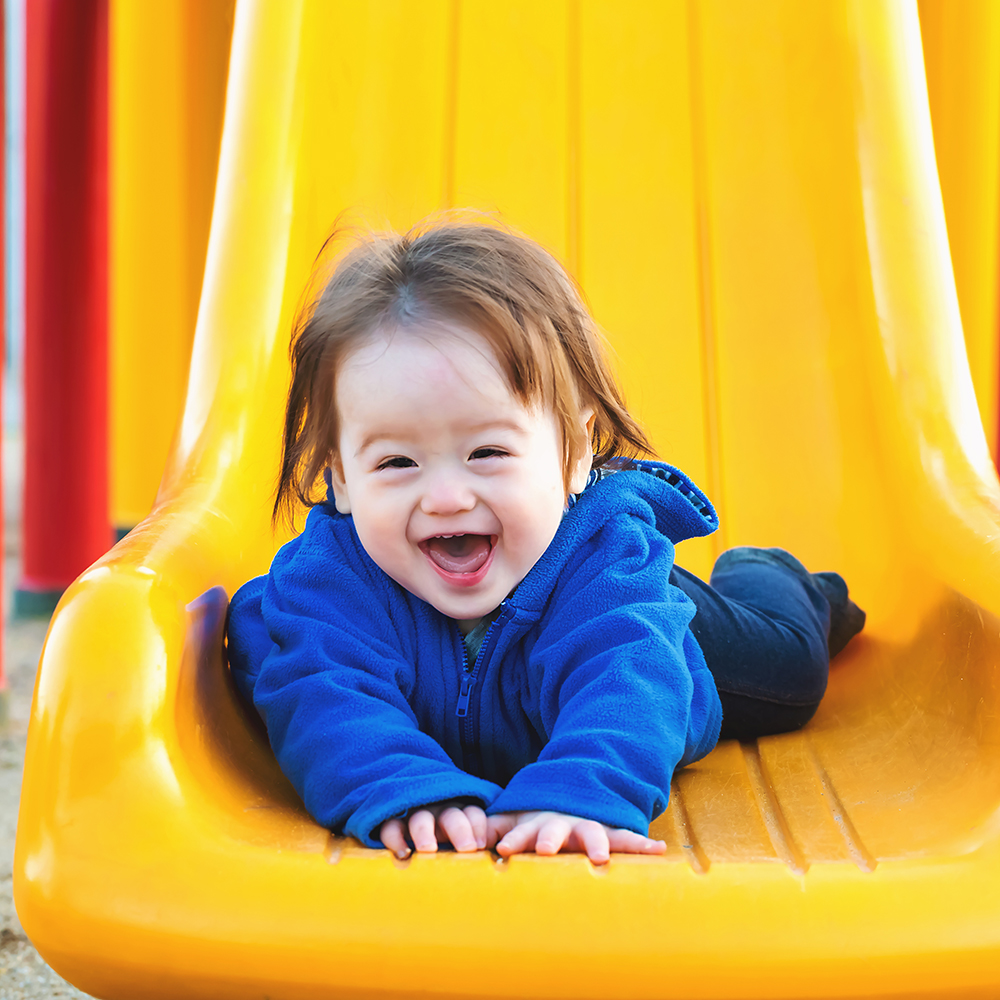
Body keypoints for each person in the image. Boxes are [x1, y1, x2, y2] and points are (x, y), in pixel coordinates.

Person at [226, 219, 864, 866]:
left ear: (578, 450)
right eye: (396, 464)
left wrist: (580, 791)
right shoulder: (329, 583)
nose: (445, 496)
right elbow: (322, 692)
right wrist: (406, 790)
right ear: (339, 478)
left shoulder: (605, 566)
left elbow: (628, 677)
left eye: (488, 452)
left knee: (791, 671)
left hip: (647, 627)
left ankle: (768, 573)